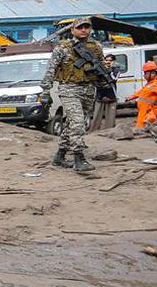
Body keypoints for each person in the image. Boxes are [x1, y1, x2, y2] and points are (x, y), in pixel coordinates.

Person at [40, 16, 108, 172]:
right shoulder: (63, 47)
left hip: (88, 89)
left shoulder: (96, 47)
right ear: (72, 30)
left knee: (73, 123)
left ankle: (60, 156)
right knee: (77, 122)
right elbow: (51, 69)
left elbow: (100, 67)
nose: (83, 30)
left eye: (86, 27)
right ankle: (79, 158)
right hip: (69, 88)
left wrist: (105, 77)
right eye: (80, 27)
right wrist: (46, 91)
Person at [129, 61, 157, 129]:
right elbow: (142, 91)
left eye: (146, 73)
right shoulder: (150, 83)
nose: (144, 75)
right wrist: (132, 97)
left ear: (153, 73)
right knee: (142, 124)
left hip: (153, 110)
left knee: (147, 124)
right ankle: (140, 129)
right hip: (146, 110)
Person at [89, 54, 119, 131]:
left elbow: (114, 78)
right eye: (106, 60)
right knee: (96, 115)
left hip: (111, 95)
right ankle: (93, 131)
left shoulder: (116, 69)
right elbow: (93, 79)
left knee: (110, 116)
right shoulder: (98, 68)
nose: (108, 62)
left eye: (110, 60)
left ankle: (109, 131)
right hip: (100, 94)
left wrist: (109, 69)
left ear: (113, 61)